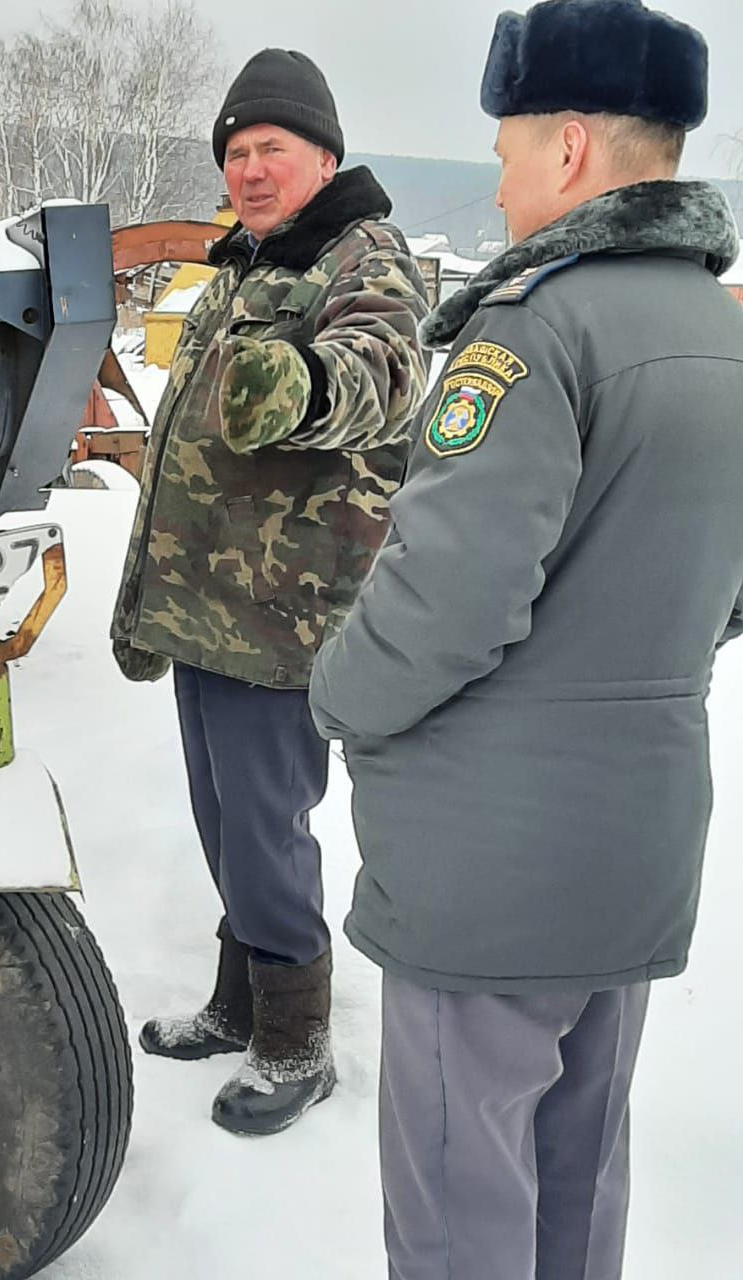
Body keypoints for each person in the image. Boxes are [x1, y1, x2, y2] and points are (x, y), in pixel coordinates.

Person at [308, 2, 743, 1274]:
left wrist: (334, 694)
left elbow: (447, 598)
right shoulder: (722, 331)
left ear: (567, 146)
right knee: (577, 1177)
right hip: (635, 842)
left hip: (486, 871)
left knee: (460, 1207)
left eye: (504, 152)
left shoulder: (531, 332)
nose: (496, 187)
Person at [112, 48, 429, 1136]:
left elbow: (381, 371)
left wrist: (301, 383)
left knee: (264, 828)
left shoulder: (362, 255)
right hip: (207, 609)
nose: (249, 169)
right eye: (236, 152)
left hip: (280, 616)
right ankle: (239, 1001)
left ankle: (295, 1040)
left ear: (323, 157)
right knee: (223, 822)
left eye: (271, 149)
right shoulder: (248, 262)